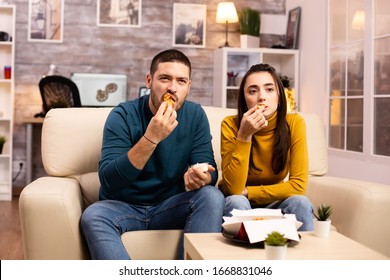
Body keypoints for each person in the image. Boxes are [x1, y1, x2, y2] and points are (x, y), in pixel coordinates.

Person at [81, 49, 224, 259]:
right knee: (93, 215)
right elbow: (109, 181)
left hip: (171, 206)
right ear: (149, 81)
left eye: (181, 81)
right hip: (123, 207)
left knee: (212, 196)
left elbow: (210, 171)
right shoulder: (122, 115)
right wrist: (151, 138)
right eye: (165, 78)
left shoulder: (195, 115)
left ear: (188, 86)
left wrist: (201, 177)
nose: (172, 88)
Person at [219, 63, 314, 231]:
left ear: (279, 94)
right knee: (237, 200)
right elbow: (234, 189)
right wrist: (244, 135)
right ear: (244, 99)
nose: (261, 97)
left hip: (273, 203)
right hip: (240, 203)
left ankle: (304, 257)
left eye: (269, 89)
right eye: (253, 91)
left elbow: (298, 186)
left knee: (301, 202)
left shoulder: (294, 123)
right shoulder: (230, 125)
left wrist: (249, 192)